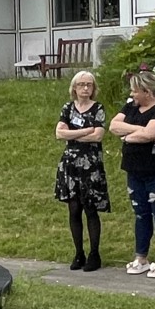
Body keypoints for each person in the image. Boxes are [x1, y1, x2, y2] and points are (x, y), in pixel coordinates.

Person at [109, 70, 155, 278]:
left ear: (147, 92)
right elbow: (114, 126)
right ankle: (141, 258)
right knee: (141, 213)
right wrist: (139, 130)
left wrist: (129, 136)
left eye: (135, 91)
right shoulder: (132, 106)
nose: (132, 95)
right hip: (134, 169)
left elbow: (150, 135)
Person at [54, 70, 111, 272]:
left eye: (89, 84)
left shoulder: (98, 108)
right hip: (70, 164)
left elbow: (98, 136)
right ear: (74, 88)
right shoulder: (68, 108)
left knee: (90, 208)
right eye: (81, 85)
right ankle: (79, 252)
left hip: (91, 163)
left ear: (93, 88)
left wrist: (73, 134)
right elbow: (59, 133)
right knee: (74, 209)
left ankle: (95, 254)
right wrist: (85, 130)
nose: (85, 88)